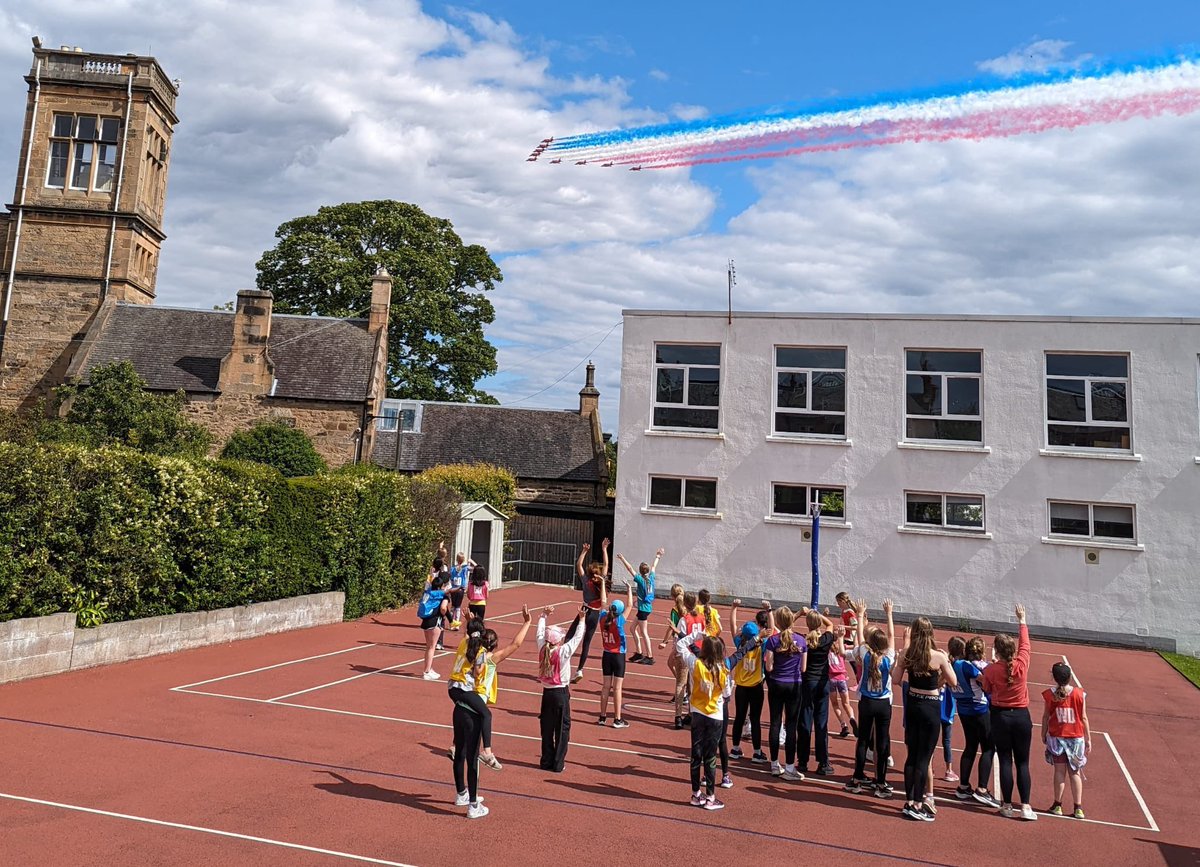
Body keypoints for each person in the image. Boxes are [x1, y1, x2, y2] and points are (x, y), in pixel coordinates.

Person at [450, 606, 532, 818]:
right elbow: (516, 644)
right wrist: (527, 622)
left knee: (459, 752)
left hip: (459, 704)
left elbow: (468, 635)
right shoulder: (490, 659)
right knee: (472, 757)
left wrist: (470, 620)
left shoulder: (468, 646)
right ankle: (474, 805)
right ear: (492, 646)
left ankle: (461, 794)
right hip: (474, 707)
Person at [893, 617, 958, 821]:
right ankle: (919, 804)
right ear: (931, 633)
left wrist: (898, 661)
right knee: (924, 757)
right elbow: (954, 681)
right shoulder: (937, 656)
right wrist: (940, 674)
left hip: (912, 704)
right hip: (930, 706)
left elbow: (895, 680)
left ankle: (911, 800)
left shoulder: (906, 654)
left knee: (912, 754)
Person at [979, 604, 1037, 820]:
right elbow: (1026, 644)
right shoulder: (1022, 664)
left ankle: (1006, 804)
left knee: (1005, 760)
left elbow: (986, 689)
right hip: (1022, 716)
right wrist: (1022, 620)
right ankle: (1026, 806)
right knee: (1023, 762)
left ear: (996, 651)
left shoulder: (991, 670)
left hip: (1000, 717)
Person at [676, 629, 733, 810]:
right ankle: (710, 797)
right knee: (710, 757)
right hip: (715, 715)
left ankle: (695, 794)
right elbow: (727, 694)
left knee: (696, 754)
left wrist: (697, 635)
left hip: (698, 713)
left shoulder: (695, 663)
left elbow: (679, 645)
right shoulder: (723, 670)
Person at [845, 598, 896, 799]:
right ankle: (881, 782)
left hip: (866, 702)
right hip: (884, 703)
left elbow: (859, 640)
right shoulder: (889, 656)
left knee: (863, 740)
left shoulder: (864, 653)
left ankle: (857, 778)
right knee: (882, 742)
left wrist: (859, 614)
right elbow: (891, 635)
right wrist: (889, 614)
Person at [950, 635, 998, 806]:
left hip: (963, 710)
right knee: (988, 747)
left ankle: (963, 786)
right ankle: (982, 789)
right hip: (979, 708)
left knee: (970, 745)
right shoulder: (966, 666)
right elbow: (984, 680)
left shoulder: (952, 665)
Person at [447, 618, 501, 771]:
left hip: (452, 686)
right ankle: (487, 751)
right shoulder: (482, 651)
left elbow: (468, 635)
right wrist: (480, 674)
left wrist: (469, 620)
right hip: (464, 688)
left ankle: (455, 746)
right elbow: (477, 673)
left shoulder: (464, 642)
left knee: (466, 712)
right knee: (486, 714)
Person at [537, 605, 587, 772]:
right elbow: (578, 638)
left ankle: (546, 761)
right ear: (558, 640)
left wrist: (543, 615)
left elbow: (539, 633)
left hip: (547, 694)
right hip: (560, 693)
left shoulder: (542, 649)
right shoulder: (564, 651)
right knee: (562, 729)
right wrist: (582, 619)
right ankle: (558, 763)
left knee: (546, 728)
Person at [1042, 662, 1090, 819]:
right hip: (1076, 739)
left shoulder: (1050, 694)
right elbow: (1083, 717)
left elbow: (1046, 716)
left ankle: (1057, 804)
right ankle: (1078, 807)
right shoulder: (1079, 694)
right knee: (1074, 772)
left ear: (1054, 677)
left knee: (1059, 771)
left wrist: (1043, 732)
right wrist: (1088, 738)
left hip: (1057, 738)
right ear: (1070, 676)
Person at [763, 606, 807, 781]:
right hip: (794, 684)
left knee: (775, 722)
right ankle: (789, 767)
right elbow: (803, 668)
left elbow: (769, 666)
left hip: (776, 684)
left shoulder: (773, 641)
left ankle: (774, 764)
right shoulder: (801, 641)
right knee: (791, 726)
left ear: (778, 622)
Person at [729, 600, 771, 763]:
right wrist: (768, 611)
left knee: (739, 717)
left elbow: (732, 626)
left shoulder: (739, 644)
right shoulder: (762, 645)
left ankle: (735, 748)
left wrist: (734, 608)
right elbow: (771, 629)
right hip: (756, 686)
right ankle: (757, 751)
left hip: (740, 687)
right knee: (755, 719)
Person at [797, 607, 837, 776]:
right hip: (822, 683)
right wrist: (816, 614)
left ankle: (803, 761)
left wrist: (801, 613)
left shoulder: (803, 640)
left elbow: (785, 627)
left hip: (807, 682)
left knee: (805, 721)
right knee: (821, 723)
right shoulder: (826, 639)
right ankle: (823, 762)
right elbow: (831, 625)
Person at [572, 538, 610, 683]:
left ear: (589, 572)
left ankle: (562, 661)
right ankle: (580, 669)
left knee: (571, 636)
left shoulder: (585, 580)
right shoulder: (602, 581)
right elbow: (606, 564)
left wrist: (584, 551)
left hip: (584, 610)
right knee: (586, 643)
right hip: (595, 613)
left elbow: (579, 564)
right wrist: (604, 549)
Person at [598, 581, 635, 728]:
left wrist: (602, 584)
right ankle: (617, 719)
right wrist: (629, 590)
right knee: (617, 688)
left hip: (606, 655)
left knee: (605, 686)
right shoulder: (619, 621)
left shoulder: (602, 618)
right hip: (618, 656)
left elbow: (602, 601)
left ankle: (602, 716)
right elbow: (630, 605)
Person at [616, 548, 662, 665]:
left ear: (641, 571)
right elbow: (654, 566)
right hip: (645, 608)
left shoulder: (640, 580)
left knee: (644, 632)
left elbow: (630, 568)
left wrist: (622, 559)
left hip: (643, 609)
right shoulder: (651, 577)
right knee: (632, 628)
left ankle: (650, 656)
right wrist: (658, 555)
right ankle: (639, 652)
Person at [417, 572, 450, 680]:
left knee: (428, 647)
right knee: (432, 647)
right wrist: (450, 619)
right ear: (442, 586)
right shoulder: (443, 596)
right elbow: (443, 608)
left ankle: (428, 668)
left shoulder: (428, 593)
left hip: (425, 621)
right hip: (435, 621)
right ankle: (426, 671)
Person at [828, 626, 855, 738]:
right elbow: (855, 646)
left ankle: (843, 725)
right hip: (841, 678)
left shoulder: (826, 648)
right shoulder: (842, 647)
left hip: (831, 679)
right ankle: (852, 718)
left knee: (835, 704)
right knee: (846, 703)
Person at [448, 553, 474, 630]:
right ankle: (457, 624)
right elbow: (476, 568)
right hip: (461, 590)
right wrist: (471, 561)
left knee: (453, 606)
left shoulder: (452, 568)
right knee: (458, 607)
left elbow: (450, 577)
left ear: (456, 559)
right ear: (463, 560)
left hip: (453, 589)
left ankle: (451, 623)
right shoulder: (465, 568)